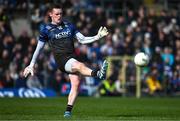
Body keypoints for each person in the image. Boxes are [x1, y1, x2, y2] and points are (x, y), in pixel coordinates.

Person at [23, 4, 108, 118]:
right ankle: (98, 74)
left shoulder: (69, 25)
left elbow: (82, 39)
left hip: (71, 57)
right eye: (57, 14)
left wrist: (97, 37)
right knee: (80, 65)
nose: (59, 16)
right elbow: (39, 49)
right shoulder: (46, 30)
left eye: (61, 14)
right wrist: (31, 64)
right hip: (61, 60)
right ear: (50, 14)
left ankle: (67, 112)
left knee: (76, 84)